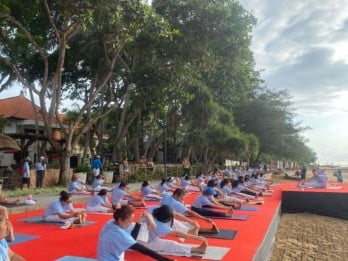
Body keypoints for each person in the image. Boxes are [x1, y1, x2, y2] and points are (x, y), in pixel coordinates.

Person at [97, 205, 174, 261]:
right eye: (129, 221)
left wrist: (138, 222)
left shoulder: (111, 222)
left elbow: (132, 239)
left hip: (108, 257)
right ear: (120, 219)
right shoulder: (119, 234)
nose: (130, 223)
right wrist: (165, 259)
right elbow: (143, 250)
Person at [139, 204, 207, 255]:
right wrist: (196, 237)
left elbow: (175, 214)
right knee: (170, 244)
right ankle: (198, 249)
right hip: (145, 241)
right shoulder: (159, 225)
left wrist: (190, 221)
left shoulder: (155, 209)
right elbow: (176, 234)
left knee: (173, 222)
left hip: (142, 232)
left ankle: (189, 231)